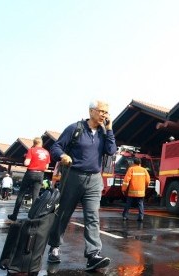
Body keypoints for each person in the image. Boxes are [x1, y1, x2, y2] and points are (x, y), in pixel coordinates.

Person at [47, 100, 117, 272]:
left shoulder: (103, 133)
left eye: (106, 112)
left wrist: (110, 129)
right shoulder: (75, 128)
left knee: (92, 216)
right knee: (63, 213)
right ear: (91, 111)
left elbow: (111, 150)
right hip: (73, 176)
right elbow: (55, 147)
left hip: (94, 179)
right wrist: (62, 155)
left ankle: (93, 255)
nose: (104, 115)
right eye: (101, 111)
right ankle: (54, 247)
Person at [8, 137, 51, 221]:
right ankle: (33, 216)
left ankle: (14, 215)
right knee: (35, 195)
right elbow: (46, 166)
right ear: (41, 143)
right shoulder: (46, 152)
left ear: (34, 143)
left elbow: (26, 163)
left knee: (21, 194)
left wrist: (27, 160)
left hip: (31, 173)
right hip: (40, 175)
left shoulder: (31, 150)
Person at [121, 157, 150, 222]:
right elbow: (148, 180)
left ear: (133, 163)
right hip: (141, 191)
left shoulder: (131, 169)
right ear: (140, 163)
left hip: (132, 191)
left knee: (128, 203)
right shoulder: (144, 170)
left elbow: (126, 181)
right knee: (140, 203)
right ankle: (141, 217)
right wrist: (145, 187)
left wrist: (123, 189)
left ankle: (125, 216)